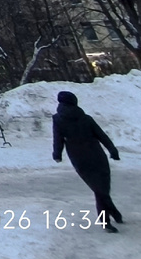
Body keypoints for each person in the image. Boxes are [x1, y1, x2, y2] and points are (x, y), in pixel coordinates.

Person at [52, 90, 123, 232]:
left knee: (98, 189)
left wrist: (57, 154)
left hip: (78, 158)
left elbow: (58, 139)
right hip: (97, 154)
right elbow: (101, 135)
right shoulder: (86, 118)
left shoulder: (58, 120)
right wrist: (112, 149)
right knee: (102, 188)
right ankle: (108, 218)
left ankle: (110, 216)